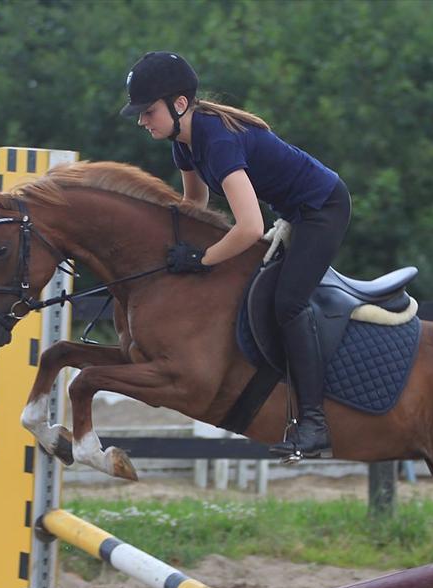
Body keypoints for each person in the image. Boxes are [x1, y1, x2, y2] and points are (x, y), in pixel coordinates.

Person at [119, 51, 351, 460]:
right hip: (296, 212)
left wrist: (201, 259)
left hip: (322, 209)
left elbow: (249, 227)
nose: (142, 120)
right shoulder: (184, 142)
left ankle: (315, 424)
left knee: (288, 303)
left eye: (148, 111)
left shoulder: (218, 140)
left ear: (178, 105)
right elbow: (194, 201)